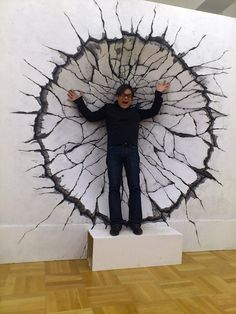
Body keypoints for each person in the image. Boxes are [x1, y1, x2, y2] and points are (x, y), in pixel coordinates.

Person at [67, 81, 170, 236]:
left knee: (134, 187)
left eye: (128, 96)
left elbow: (153, 111)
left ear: (132, 99)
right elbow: (91, 116)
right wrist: (79, 101)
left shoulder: (136, 112)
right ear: (117, 97)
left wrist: (158, 93)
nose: (125, 98)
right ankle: (116, 223)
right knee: (114, 187)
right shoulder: (108, 109)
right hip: (114, 152)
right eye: (122, 95)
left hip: (132, 152)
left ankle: (135, 222)